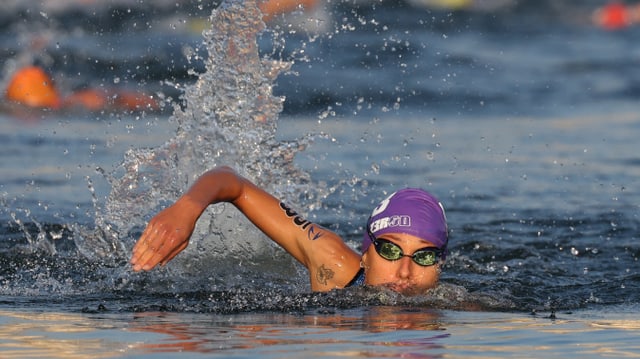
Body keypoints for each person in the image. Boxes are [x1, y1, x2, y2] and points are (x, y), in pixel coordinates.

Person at [130, 166, 449, 296]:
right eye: (390, 250)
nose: (405, 271)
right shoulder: (332, 263)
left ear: (440, 266)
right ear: (365, 255)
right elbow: (233, 183)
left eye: (424, 256)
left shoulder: (463, 309)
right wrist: (186, 209)